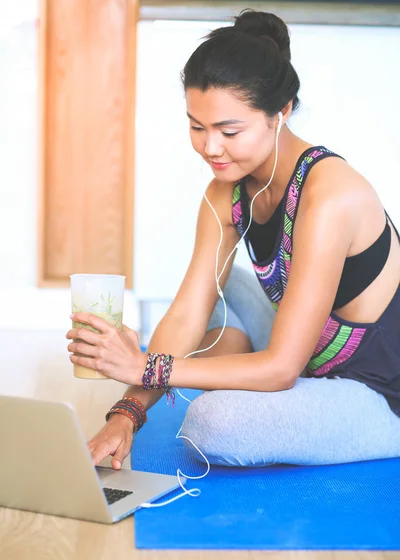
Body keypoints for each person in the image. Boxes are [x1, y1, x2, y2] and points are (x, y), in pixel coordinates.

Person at [66, 10, 400, 470]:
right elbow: (186, 313)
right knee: (223, 292)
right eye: (197, 127)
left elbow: (282, 369)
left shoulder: (331, 198)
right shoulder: (226, 193)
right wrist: (127, 412)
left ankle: (238, 364)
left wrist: (148, 366)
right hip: (307, 358)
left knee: (212, 423)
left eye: (229, 130)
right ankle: (235, 358)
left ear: (280, 111)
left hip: (376, 391)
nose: (210, 148)